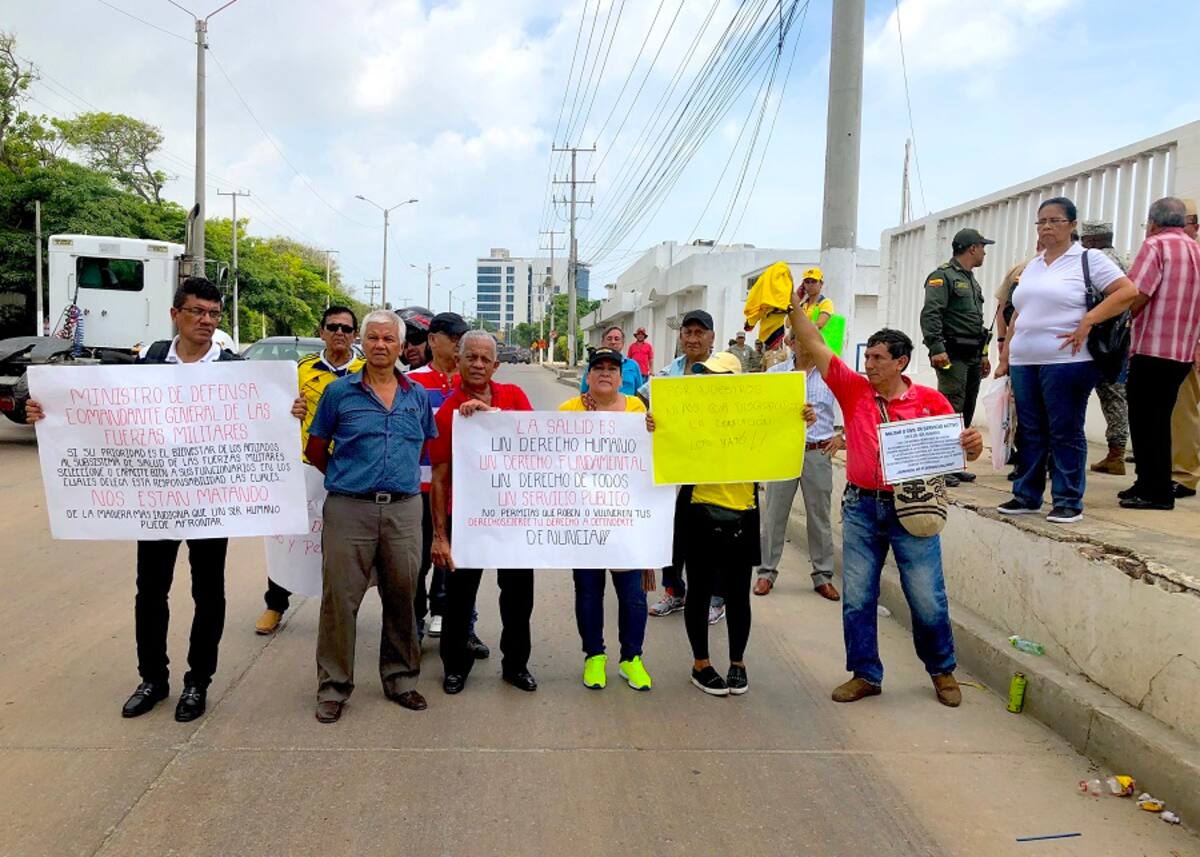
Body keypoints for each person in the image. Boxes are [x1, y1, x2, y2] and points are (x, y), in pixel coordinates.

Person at [26, 278, 304, 722]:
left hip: (212, 503)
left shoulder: (236, 369)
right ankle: (152, 678)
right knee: (150, 591)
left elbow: (267, 416)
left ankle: (198, 683)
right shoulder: (150, 361)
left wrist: (288, 411)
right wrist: (47, 412)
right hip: (155, 501)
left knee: (208, 593)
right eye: (197, 312)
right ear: (175, 314)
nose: (207, 321)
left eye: (213, 314)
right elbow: (97, 408)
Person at [787, 298, 984, 707]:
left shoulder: (930, 401)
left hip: (913, 507)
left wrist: (974, 443)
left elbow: (960, 452)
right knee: (858, 595)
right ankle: (865, 674)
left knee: (926, 595)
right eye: (868, 356)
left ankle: (942, 670)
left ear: (902, 362)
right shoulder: (852, 389)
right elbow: (816, 343)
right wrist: (793, 309)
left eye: (878, 358)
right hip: (861, 506)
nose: (869, 364)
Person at [305, 309, 436, 723]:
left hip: (403, 509)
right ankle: (333, 686)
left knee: (403, 596)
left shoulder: (416, 396)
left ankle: (401, 679)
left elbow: (422, 450)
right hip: (349, 509)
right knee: (340, 600)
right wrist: (349, 478)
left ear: (401, 347)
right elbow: (316, 448)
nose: (381, 346)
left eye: (389, 339)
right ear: (363, 343)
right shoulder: (339, 393)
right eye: (373, 338)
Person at [995, 197, 1137, 523]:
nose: (1046, 226)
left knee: (1065, 429)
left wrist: (1087, 321)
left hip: (1068, 361)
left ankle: (1068, 499)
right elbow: (1018, 312)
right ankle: (1026, 495)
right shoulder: (1033, 266)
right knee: (1030, 430)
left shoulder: (1089, 260)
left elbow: (1126, 292)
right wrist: (1005, 355)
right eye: (1041, 221)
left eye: (1055, 220)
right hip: (1024, 360)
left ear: (1072, 225)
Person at [430, 330, 538, 695]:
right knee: (459, 600)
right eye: (470, 357)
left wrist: (491, 418)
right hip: (468, 522)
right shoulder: (449, 412)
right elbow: (440, 477)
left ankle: (516, 665)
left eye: (484, 359)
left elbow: (534, 447)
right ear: (457, 361)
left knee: (519, 598)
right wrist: (440, 536)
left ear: (496, 364)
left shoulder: (514, 397)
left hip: (514, 519)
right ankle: (455, 666)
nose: (477, 365)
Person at [645, 350, 758, 697]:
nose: (710, 382)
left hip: (743, 513)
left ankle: (737, 663)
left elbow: (782, 440)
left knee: (739, 595)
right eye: (706, 376)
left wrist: (799, 419)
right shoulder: (689, 416)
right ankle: (701, 664)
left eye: (718, 377)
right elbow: (662, 442)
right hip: (699, 513)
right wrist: (653, 425)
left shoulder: (756, 418)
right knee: (699, 592)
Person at [256, 305, 364, 636]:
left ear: (355, 335)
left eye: (346, 329)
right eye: (333, 327)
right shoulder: (299, 371)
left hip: (352, 469)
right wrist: (289, 410)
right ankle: (275, 604)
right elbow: (273, 414)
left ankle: (345, 611)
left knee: (350, 546)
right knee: (290, 537)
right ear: (321, 332)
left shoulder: (368, 371)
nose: (339, 334)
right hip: (306, 466)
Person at [560, 348, 654, 692]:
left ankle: (632, 658)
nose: (604, 373)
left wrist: (653, 430)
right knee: (588, 590)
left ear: (621, 375)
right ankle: (594, 656)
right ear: (587, 374)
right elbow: (549, 454)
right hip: (583, 517)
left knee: (632, 594)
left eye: (612, 368)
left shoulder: (636, 409)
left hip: (625, 518)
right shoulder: (569, 410)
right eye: (597, 367)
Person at [407, 312, 490, 660]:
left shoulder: (469, 384)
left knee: (458, 568)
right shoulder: (410, 381)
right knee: (415, 565)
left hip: (461, 492)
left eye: (462, 337)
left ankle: (463, 630)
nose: (458, 343)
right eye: (451, 336)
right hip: (416, 487)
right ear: (432, 340)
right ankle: (410, 631)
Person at [638, 310, 725, 624]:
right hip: (674, 467)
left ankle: (717, 597)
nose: (693, 338)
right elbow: (643, 401)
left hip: (711, 469)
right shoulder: (668, 373)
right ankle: (674, 590)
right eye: (687, 332)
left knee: (712, 535)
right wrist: (646, 416)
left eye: (700, 332)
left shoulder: (723, 372)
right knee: (671, 531)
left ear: (712, 337)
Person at [1117, 197, 1200, 511]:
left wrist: (1122, 318)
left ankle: (1155, 491)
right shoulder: (1196, 249)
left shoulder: (1155, 246)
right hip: (1181, 352)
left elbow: (1136, 294)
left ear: (1152, 221)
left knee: (1144, 421)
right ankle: (1149, 482)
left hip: (1151, 348)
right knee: (1160, 420)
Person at [755, 330, 844, 600]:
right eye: (800, 338)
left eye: (812, 337)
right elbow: (763, 411)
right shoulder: (776, 374)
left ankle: (823, 576)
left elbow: (849, 406)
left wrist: (841, 435)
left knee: (819, 516)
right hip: (784, 451)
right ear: (790, 343)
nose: (806, 343)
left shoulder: (832, 375)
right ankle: (766, 573)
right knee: (774, 515)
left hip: (817, 452)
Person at [920, 227, 994, 487]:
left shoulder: (972, 281)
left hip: (972, 354)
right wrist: (936, 348)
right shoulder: (942, 277)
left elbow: (977, 323)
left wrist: (984, 354)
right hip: (952, 355)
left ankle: (955, 461)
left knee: (967, 408)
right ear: (972, 248)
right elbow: (931, 314)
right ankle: (942, 466)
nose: (985, 251)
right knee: (950, 408)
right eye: (983, 246)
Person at [1078, 222, 1132, 476]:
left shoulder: (1093, 262)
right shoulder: (1125, 261)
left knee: (1073, 395)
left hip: (1092, 338)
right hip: (1119, 341)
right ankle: (1116, 453)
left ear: (1090, 241)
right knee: (1116, 396)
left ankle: (1056, 456)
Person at [1170, 199, 1200, 500]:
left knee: (1184, 411)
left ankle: (1184, 476)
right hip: (1170, 347)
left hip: (1189, 346)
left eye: (1182, 221)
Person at [581, 325, 642, 395]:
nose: (613, 342)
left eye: (617, 339)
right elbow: (584, 392)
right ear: (603, 342)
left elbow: (639, 393)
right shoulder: (593, 365)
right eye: (609, 339)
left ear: (622, 343)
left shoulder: (633, 365)